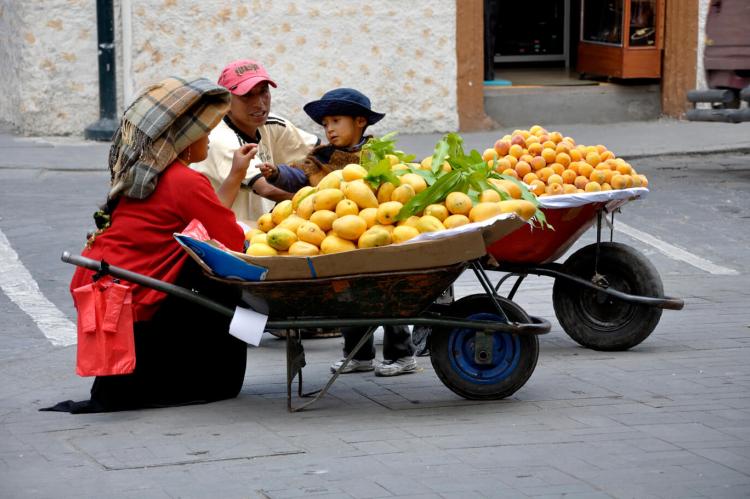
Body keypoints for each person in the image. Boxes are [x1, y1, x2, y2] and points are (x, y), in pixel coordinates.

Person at [44, 77, 258, 413]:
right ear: (185, 138)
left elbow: (205, 219)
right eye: (204, 131)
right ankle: (222, 372)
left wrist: (234, 175)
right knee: (234, 285)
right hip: (135, 294)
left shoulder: (153, 174)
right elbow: (228, 237)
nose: (209, 137)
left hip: (111, 285)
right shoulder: (184, 181)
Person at [261, 88, 418, 377]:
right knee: (348, 296)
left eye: (336, 121)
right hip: (339, 238)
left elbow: (398, 182)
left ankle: (402, 354)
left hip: (377, 236)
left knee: (386, 295)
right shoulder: (322, 157)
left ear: (360, 122)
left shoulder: (376, 154)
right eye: (325, 125)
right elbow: (299, 175)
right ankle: (358, 355)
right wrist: (275, 174)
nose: (329, 129)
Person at [191, 59, 320, 223]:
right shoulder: (219, 138)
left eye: (263, 91)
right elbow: (266, 189)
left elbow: (320, 155)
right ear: (225, 101)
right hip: (225, 235)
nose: (259, 104)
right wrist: (317, 202)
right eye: (247, 95)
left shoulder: (272, 124)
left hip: (264, 229)